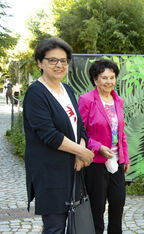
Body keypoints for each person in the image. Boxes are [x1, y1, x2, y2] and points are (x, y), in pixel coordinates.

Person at [23, 37, 94, 233]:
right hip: (50, 173)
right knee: (55, 226)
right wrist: (82, 151)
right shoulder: (36, 93)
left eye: (63, 60)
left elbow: (79, 126)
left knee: (74, 223)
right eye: (52, 60)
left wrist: (80, 151)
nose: (59, 65)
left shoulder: (67, 90)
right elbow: (49, 135)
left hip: (72, 169)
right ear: (40, 62)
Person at [78, 59, 130, 234]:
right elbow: (80, 132)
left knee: (117, 205)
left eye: (112, 77)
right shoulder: (86, 100)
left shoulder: (118, 101)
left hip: (117, 161)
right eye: (104, 78)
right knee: (97, 209)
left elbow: (121, 133)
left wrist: (125, 158)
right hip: (96, 163)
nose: (109, 82)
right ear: (95, 79)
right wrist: (97, 146)